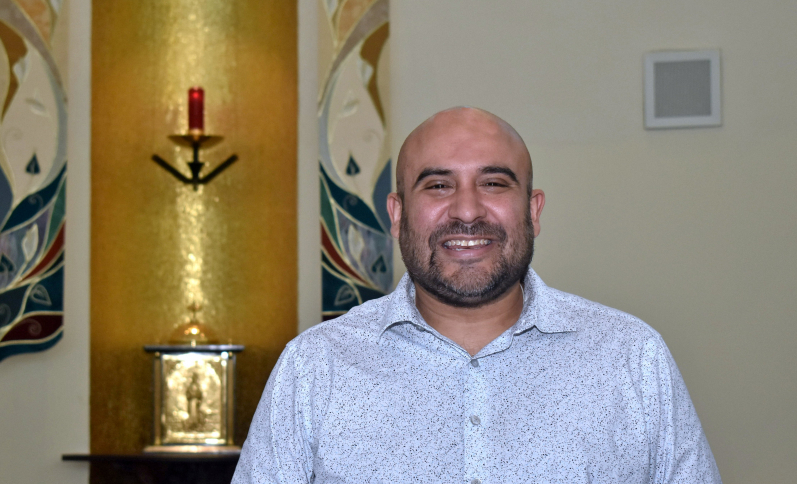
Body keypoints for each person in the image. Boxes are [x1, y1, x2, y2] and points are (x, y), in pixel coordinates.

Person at [233, 107, 721, 483]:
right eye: (438, 185)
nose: (467, 210)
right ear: (397, 213)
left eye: (493, 183)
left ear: (533, 211)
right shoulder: (315, 368)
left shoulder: (631, 358)